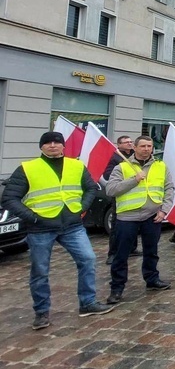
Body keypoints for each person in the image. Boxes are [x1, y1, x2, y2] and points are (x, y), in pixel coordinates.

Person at [1, 131, 115, 330]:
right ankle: (41, 312)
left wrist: (81, 207)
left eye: (57, 142)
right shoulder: (28, 168)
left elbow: (90, 188)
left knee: (88, 260)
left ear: (63, 146)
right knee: (40, 271)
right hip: (40, 228)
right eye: (48, 143)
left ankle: (87, 302)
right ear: (42, 147)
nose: (53, 145)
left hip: (72, 225)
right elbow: (9, 198)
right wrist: (33, 217)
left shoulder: (76, 165)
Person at [105, 135, 174, 304]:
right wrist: (134, 180)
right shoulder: (122, 167)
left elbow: (169, 188)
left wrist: (164, 210)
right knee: (121, 255)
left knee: (151, 251)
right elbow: (111, 190)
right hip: (127, 217)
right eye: (142, 146)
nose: (146, 149)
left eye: (149, 146)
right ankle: (117, 288)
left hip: (152, 216)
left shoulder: (160, 166)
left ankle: (152, 279)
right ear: (134, 148)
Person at [104, 135, 138, 265]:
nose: (130, 144)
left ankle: (132, 248)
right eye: (126, 142)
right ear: (119, 145)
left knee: (136, 221)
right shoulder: (115, 157)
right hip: (120, 194)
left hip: (136, 193)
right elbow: (107, 174)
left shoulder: (136, 155)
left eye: (131, 141)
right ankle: (112, 253)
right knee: (117, 225)